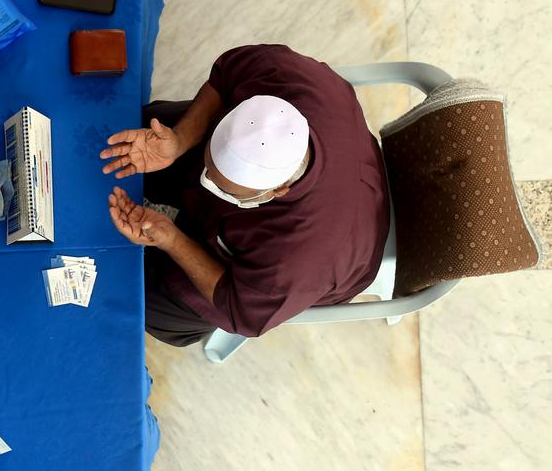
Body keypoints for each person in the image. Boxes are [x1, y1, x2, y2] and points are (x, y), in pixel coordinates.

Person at [100, 44, 390, 347]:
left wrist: (172, 239)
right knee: (141, 128)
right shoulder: (287, 75)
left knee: (148, 298)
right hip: (346, 163)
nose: (206, 179)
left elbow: (237, 304)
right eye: (209, 165)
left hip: (326, 249)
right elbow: (226, 77)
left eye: (221, 187)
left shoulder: (293, 264)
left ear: (278, 190)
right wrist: (180, 141)